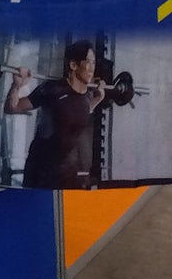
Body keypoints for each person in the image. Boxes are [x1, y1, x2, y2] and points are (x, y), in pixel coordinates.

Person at [7, 40, 110, 189]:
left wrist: (98, 99)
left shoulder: (87, 96)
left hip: (67, 171)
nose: (92, 68)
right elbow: (13, 107)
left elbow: (80, 112)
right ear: (73, 65)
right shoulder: (52, 90)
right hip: (41, 170)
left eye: (93, 63)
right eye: (88, 62)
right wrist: (16, 85)